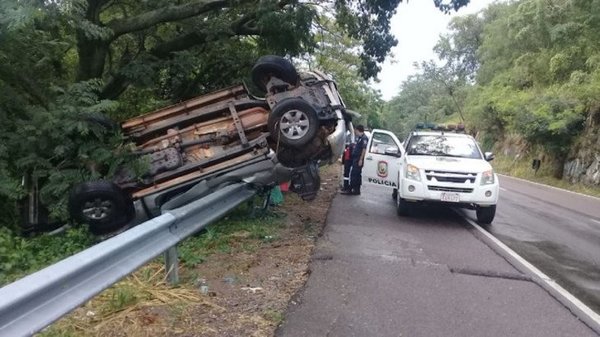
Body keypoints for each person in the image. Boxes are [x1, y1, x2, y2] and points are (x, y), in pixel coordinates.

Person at [342, 125, 368, 195]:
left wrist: (361, 159)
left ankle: (350, 189)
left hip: (358, 159)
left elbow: (364, 149)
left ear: (358, 130)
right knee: (357, 175)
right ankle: (356, 190)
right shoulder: (360, 138)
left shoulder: (364, 138)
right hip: (355, 158)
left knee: (354, 174)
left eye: (355, 131)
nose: (355, 132)